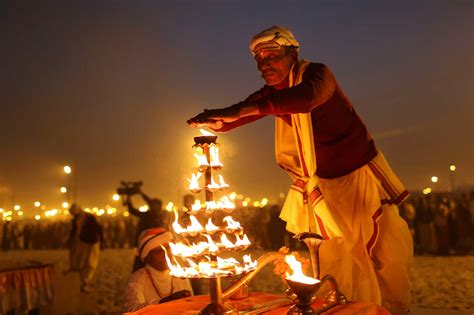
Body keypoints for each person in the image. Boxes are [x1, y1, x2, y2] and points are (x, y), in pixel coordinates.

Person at [188, 25, 413, 314]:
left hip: (359, 176)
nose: (264, 65)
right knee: (338, 263)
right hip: (324, 187)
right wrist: (220, 120)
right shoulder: (273, 93)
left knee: (382, 257)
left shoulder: (318, 75)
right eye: (259, 60)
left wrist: (238, 113)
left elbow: (304, 100)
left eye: (271, 56)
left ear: (293, 54)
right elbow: (250, 107)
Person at [122, 228, 193, 312]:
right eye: (159, 251)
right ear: (146, 257)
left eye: (168, 248)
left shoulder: (180, 275)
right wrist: (164, 302)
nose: (166, 254)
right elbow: (131, 309)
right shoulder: (138, 279)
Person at [125, 186, 166, 271]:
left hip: (155, 244)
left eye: (155, 205)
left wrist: (141, 193)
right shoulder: (146, 215)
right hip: (142, 243)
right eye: (153, 205)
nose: (153, 206)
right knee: (139, 264)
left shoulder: (162, 216)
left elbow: (149, 201)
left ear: (159, 206)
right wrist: (128, 198)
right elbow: (132, 210)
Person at [67, 203, 103, 292]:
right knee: (79, 262)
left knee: (90, 263)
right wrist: (69, 241)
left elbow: (99, 229)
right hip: (82, 243)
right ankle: (80, 282)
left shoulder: (89, 217)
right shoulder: (76, 219)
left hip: (92, 243)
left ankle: (85, 282)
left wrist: (102, 242)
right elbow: (74, 231)